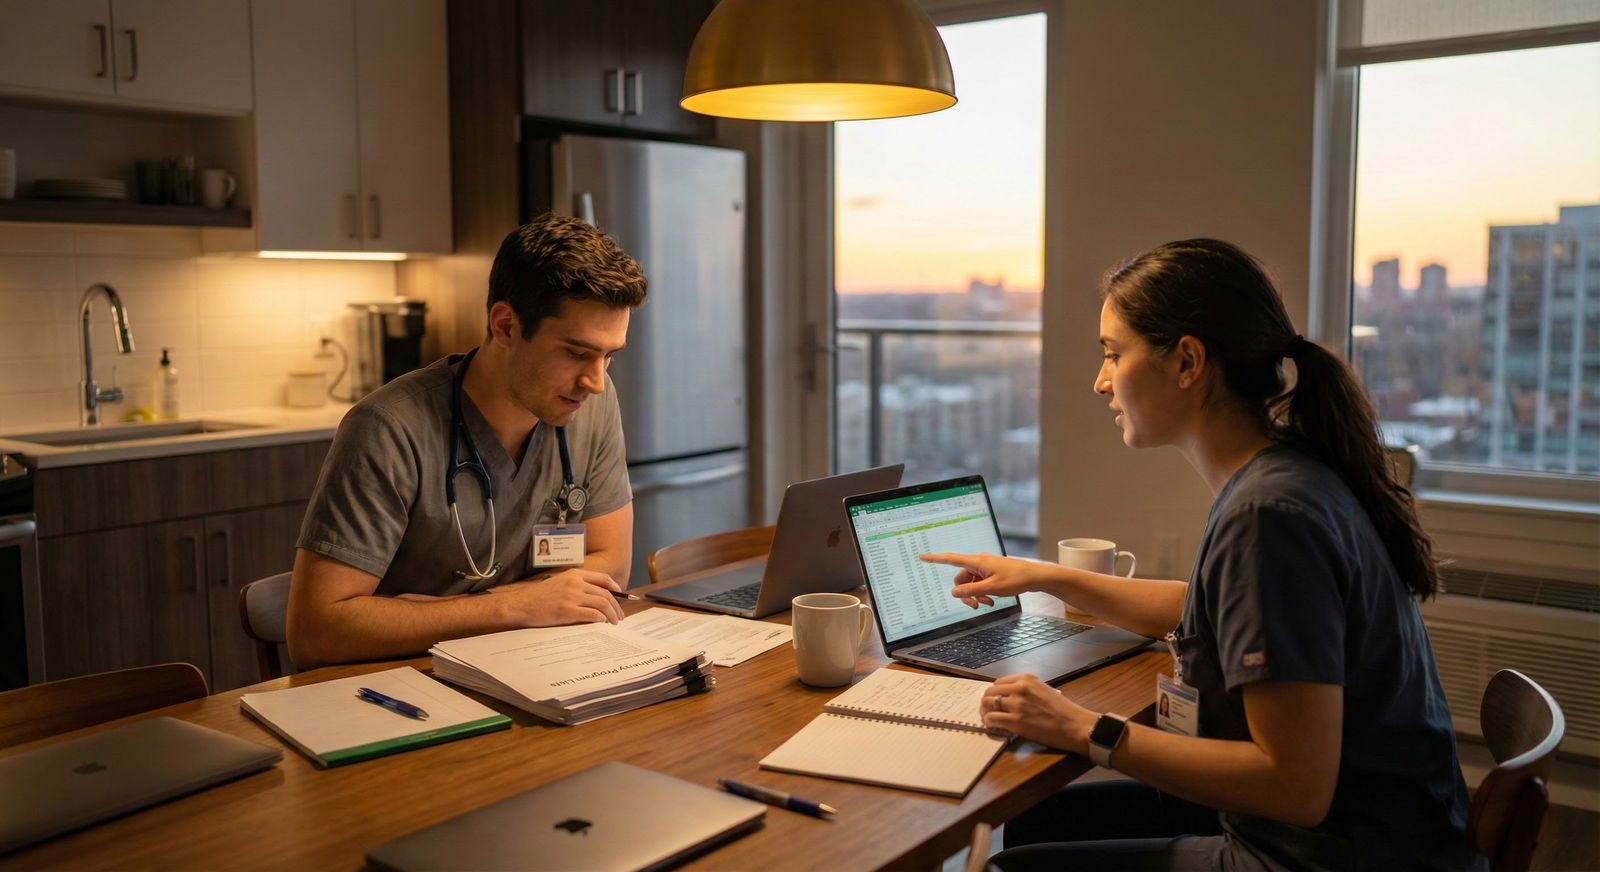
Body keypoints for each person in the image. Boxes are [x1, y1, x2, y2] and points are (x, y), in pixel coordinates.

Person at [923, 239, 1482, 871]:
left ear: (1187, 361)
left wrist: (1082, 727)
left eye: (1113, 353)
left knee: (1007, 864)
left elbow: (1293, 786)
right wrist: (1048, 577)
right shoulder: (1288, 473)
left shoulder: (1268, 516)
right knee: (1034, 819)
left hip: (1328, 855)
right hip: (1377, 835)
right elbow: (1209, 608)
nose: (1100, 380)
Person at [287, 213, 646, 670]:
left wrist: (454, 609)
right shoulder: (389, 427)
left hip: (536, 667)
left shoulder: (590, 403)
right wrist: (515, 607)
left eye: (609, 356)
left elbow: (611, 565)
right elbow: (315, 632)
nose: (595, 380)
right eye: (576, 352)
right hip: (409, 685)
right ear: (506, 326)